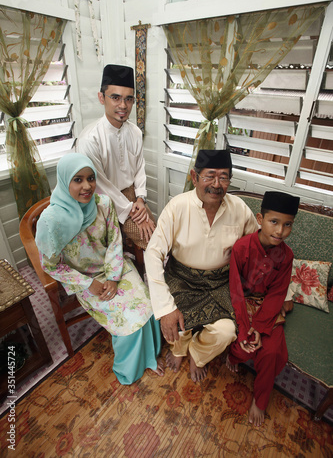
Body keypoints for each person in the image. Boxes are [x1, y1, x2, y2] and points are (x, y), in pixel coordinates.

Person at [35, 153, 164, 385]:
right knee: (127, 320)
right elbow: (50, 265)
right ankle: (131, 368)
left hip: (114, 268)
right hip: (85, 280)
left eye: (91, 178)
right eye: (78, 180)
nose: (87, 186)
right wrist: (88, 284)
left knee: (148, 303)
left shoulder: (103, 204)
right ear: (65, 181)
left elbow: (115, 240)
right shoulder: (49, 222)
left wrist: (114, 277)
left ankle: (150, 356)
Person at [144, 149, 258, 382]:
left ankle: (198, 354)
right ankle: (178, 350)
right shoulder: (177, 206)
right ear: (195, 178)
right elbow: (153, 252)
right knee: (175, 320)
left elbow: (258, 245)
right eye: (210, 176)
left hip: (220, 282)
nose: (217, 184)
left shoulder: (239, 209)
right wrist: (165, 308)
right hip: (182, 277)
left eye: (224, 177)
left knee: (227, 332)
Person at [226, 191, 300, 426]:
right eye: (274, 222)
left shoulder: (287, 256)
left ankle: (260, 400)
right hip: (241, 301)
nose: (280, 231)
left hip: (268, 306)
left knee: (271, 352)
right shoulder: (241, 247)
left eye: (287, 225)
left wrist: (259, 326)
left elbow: (278, 293)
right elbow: (235, 289)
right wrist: (247, 326)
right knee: (244, 342)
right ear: (260, 218)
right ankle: (232, 357)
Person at [76, 64, 155, 248]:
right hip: (103, 201)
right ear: (101, 98)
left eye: (129, 99)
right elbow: (100, 185)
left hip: (132, 195)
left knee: (156, 235)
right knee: (148, 240)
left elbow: (139, 168)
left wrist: (140, 199)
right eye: (115, 97)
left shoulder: (134, 131)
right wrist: (129, 211)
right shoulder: (89, 139)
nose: (123, 105)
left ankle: (147, 269)